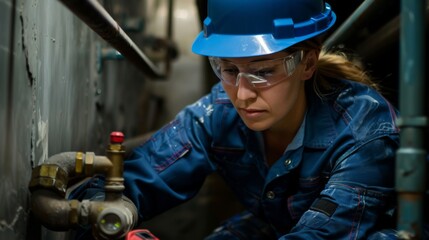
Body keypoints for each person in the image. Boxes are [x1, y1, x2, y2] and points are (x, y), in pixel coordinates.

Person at [74, 0, 400, 239]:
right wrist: (107, 215)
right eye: (228, 69)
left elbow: (322, 235)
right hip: (278, 225)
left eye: (262, 72)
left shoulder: (364, 129)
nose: (242, 95)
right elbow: (128, 181)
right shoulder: (219, 113)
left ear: (307, 63)